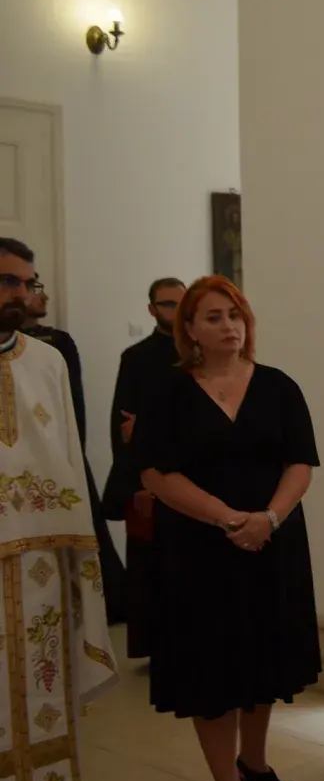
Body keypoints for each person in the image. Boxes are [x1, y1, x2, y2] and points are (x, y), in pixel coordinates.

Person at [136, 276, 321, 781]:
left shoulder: (278, 386)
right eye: (214, 317)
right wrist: (227, 518)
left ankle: (255, 766)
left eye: (235, 315)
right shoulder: (168, 392)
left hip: (270, 542)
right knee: (211, 670)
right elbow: (157, 474)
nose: (228, 326)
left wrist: (269, 518)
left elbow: (300, 464)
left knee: (263, 662)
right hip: (198, 549)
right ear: (190, 329)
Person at [0, 237, 119, 781]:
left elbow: (70, 452)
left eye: (28, 283)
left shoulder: (48, 360)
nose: (21, 294)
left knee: (41, 681)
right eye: (8, 281)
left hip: (41, 557)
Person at [19, 264, 129, 623]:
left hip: (59, 452)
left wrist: (71, 450)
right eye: (31, 287)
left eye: (34, 285)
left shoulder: (58, 343)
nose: (43, 295)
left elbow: (73, 404)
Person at [101, 276, 185, 658]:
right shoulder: (136, 358)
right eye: (168, 304)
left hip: (192, 473)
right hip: (148, 475)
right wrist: (136, 480)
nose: (176, 311)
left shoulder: (200, 351)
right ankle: (156, 648)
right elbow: (122, 426)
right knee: (150, 566)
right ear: (152, 310)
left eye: (181, 303)